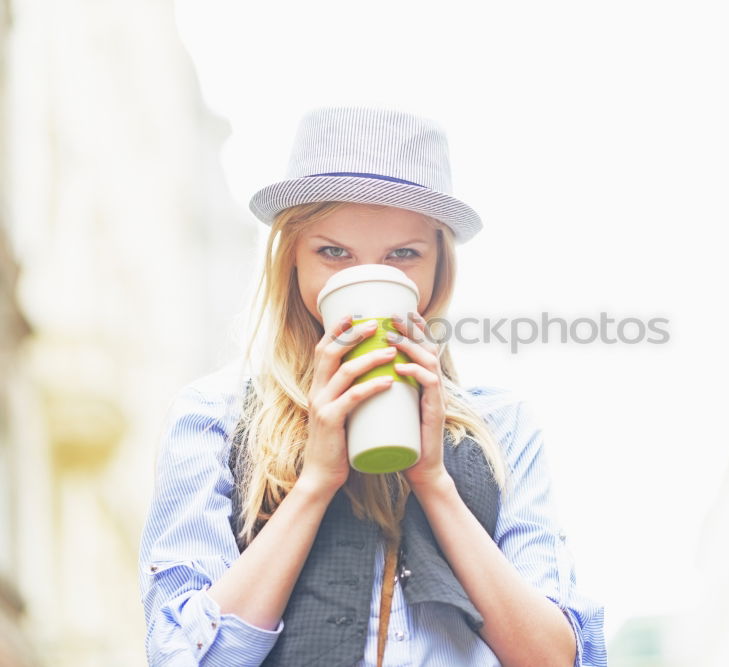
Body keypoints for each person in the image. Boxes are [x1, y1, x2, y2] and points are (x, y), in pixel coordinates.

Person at [137, 106, 606, 666]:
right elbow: (185, 658)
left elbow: (556, 659)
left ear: (439, 270)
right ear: (292, 259)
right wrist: (315, 483)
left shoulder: (501, 426)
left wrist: (434, 481)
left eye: (403, 255)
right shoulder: (214, 415)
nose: (364, 277)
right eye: (333, 252)